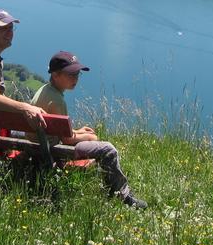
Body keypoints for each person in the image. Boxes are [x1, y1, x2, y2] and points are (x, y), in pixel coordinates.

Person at [32, 51, 147, 209]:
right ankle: (123, 195)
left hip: (39, 144)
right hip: (54, 150)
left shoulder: (45, 90)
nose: (76, 78)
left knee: (92, 138)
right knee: (108, 149)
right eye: (71, 74)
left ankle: (113, 187)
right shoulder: (57, 100)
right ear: (56, 75)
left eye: (77, 74)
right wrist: (86, 137)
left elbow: (60, 130)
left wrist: (78, 131)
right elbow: (67, 140)